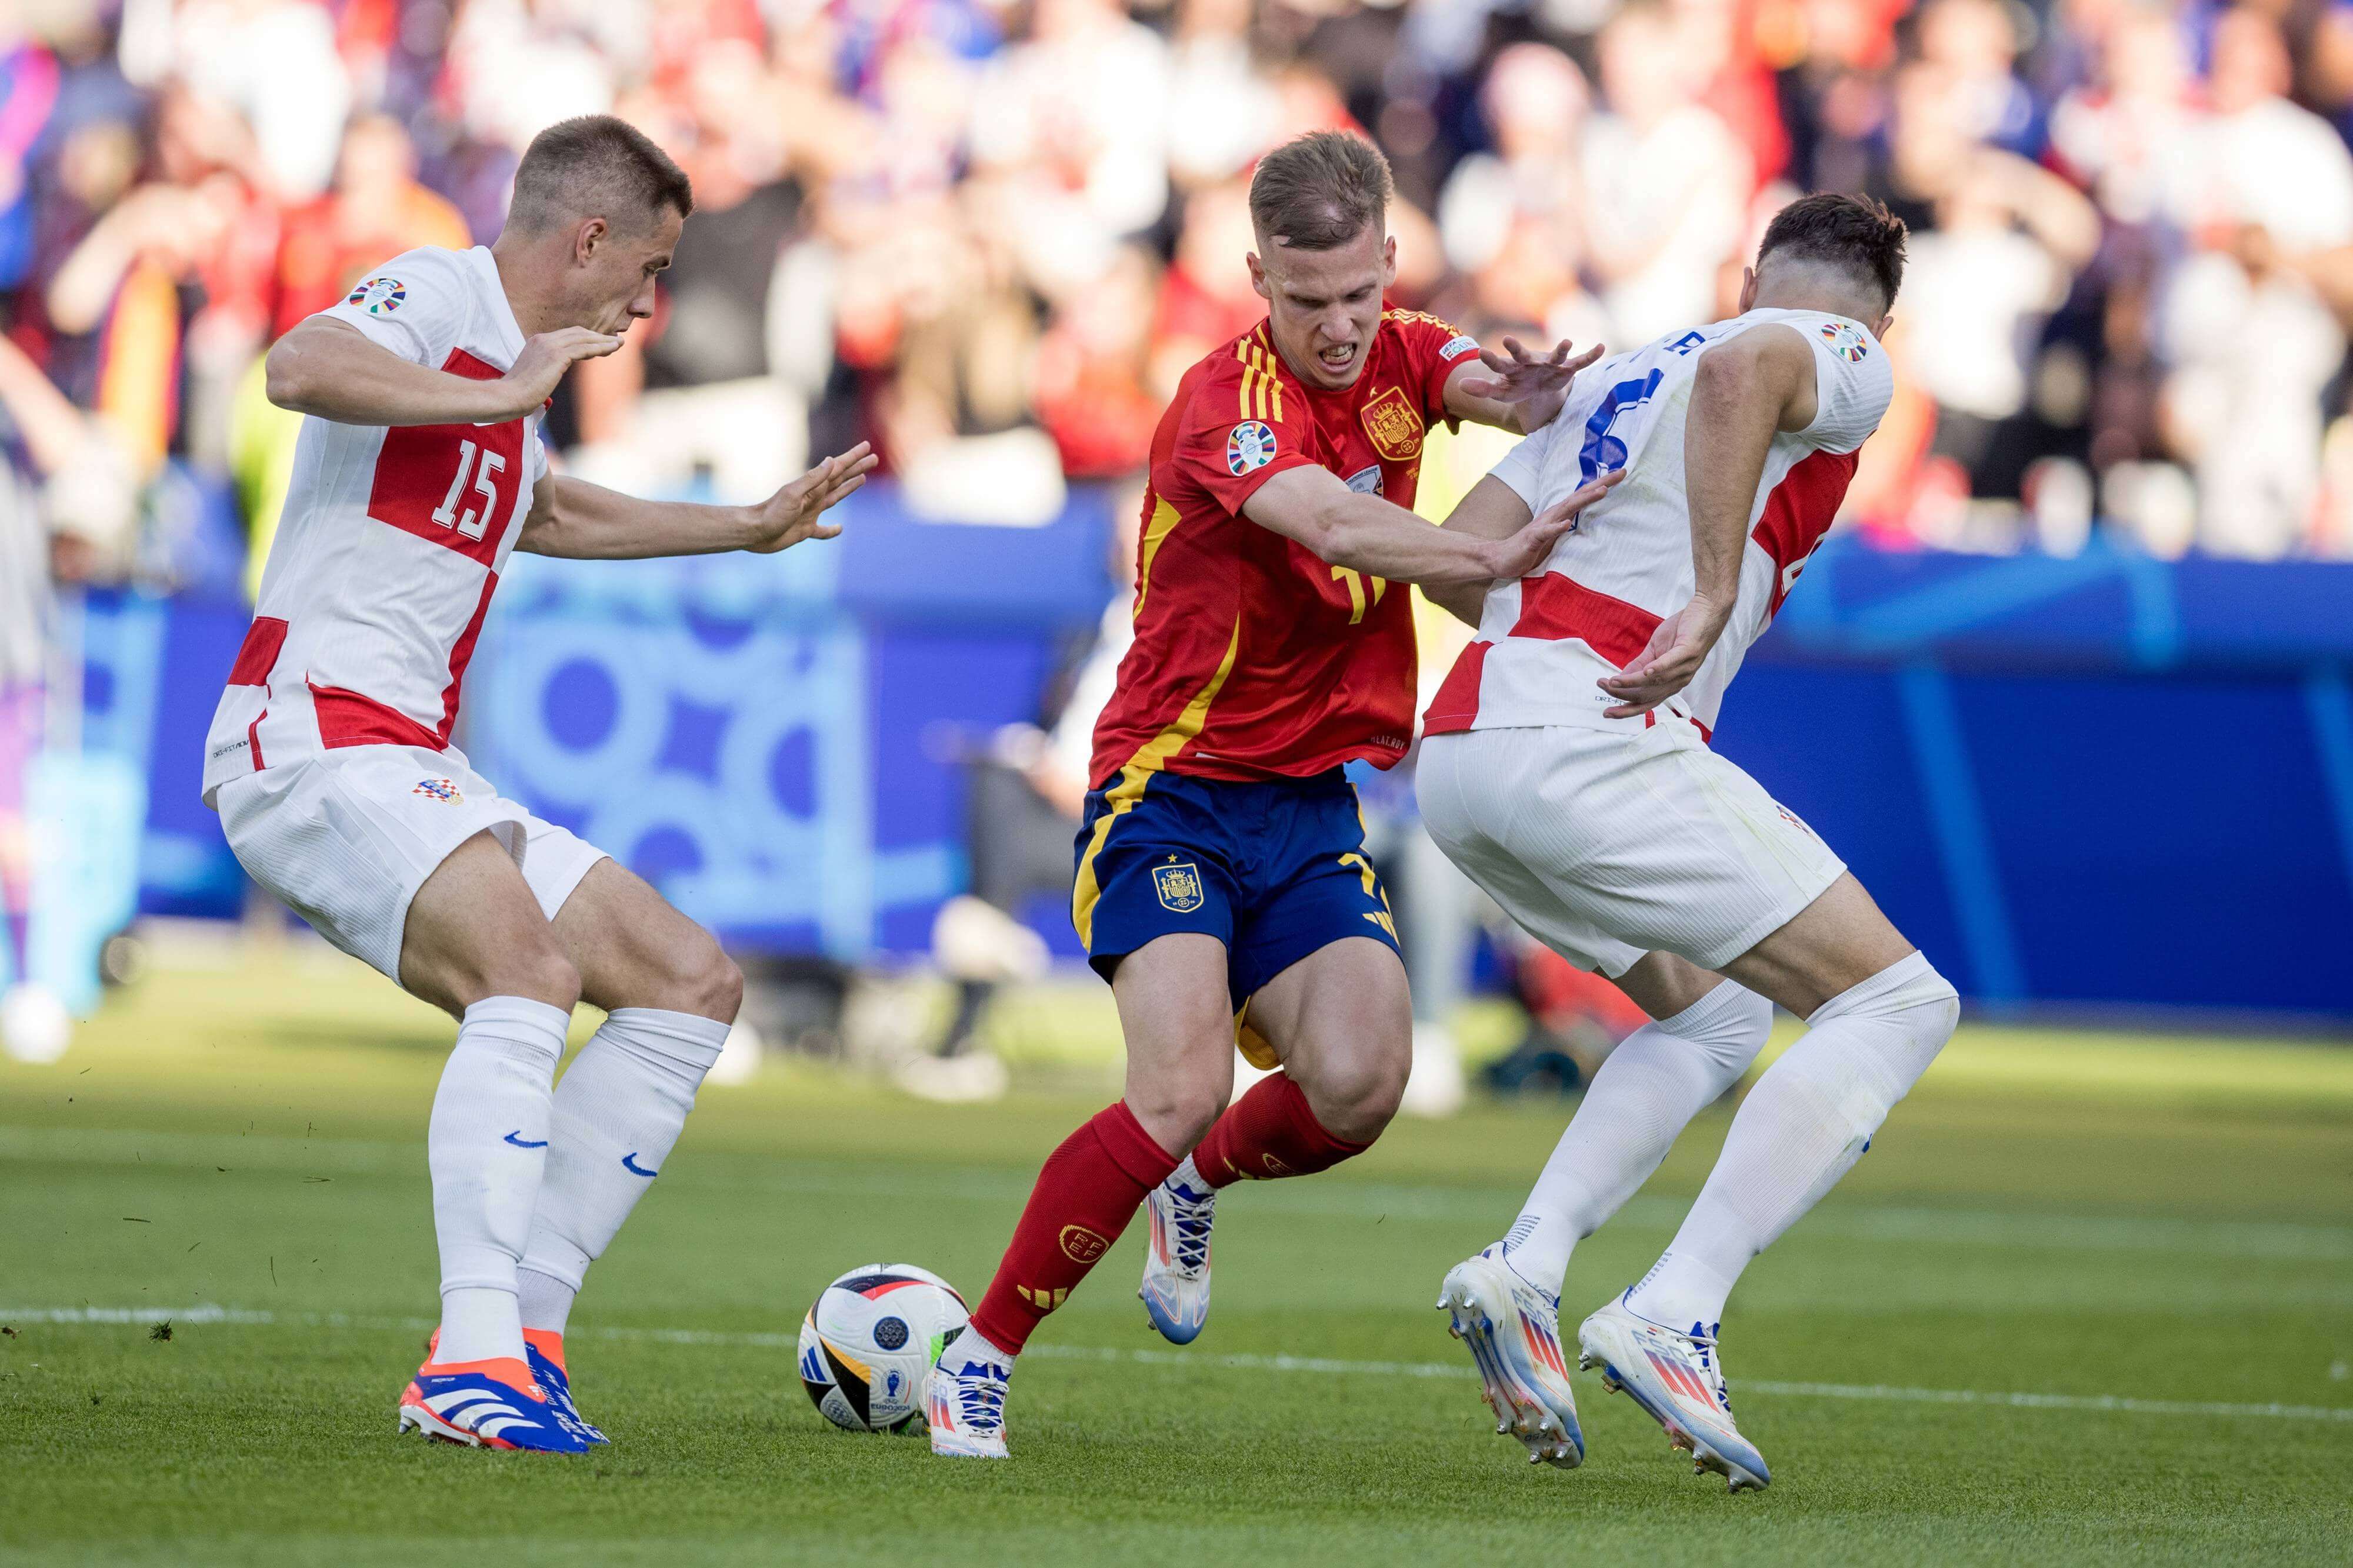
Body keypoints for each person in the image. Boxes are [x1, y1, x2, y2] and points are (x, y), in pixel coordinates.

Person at [922, 129, 1620, 1460]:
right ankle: (982, 1354)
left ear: (1389, 263)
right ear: (1256, 278)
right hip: (1169, 792)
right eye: (1307, 304)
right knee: (1175, 1082)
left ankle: (1197, 1183)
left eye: (1359, 295)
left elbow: (1467, 375)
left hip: (1304, 808)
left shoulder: (1405, 354)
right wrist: (1496, 553)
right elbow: (1341, 525)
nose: (1340, 328)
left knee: (1360, 1080)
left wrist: (1522, 396)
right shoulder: (1221, 407)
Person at [199, 115, 875, 1453]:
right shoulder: (439, 295)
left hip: (412, 756)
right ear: (590, 238)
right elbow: (297, 364)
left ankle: (529, 1340)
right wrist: (496, 394)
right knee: (527, 974)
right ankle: (468, 1357)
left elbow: (549, 511)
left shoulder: (524, 383)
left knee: (690, 981)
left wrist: (743, 529)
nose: (652, 298)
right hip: (308, 734)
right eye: (650, 266)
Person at [1414, 194, 1958, 1492]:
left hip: (1469, 749)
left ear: (1743, 267)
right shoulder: (1827, 353)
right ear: (1883, 321)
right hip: (1595, 736)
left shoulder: (1619, 368)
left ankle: (1528, 1263)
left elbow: (1450, 562)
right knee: (1895, 1001)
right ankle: (1676, 1307)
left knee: (1712, 1017)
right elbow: (1746, 364)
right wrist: (1708, 585)